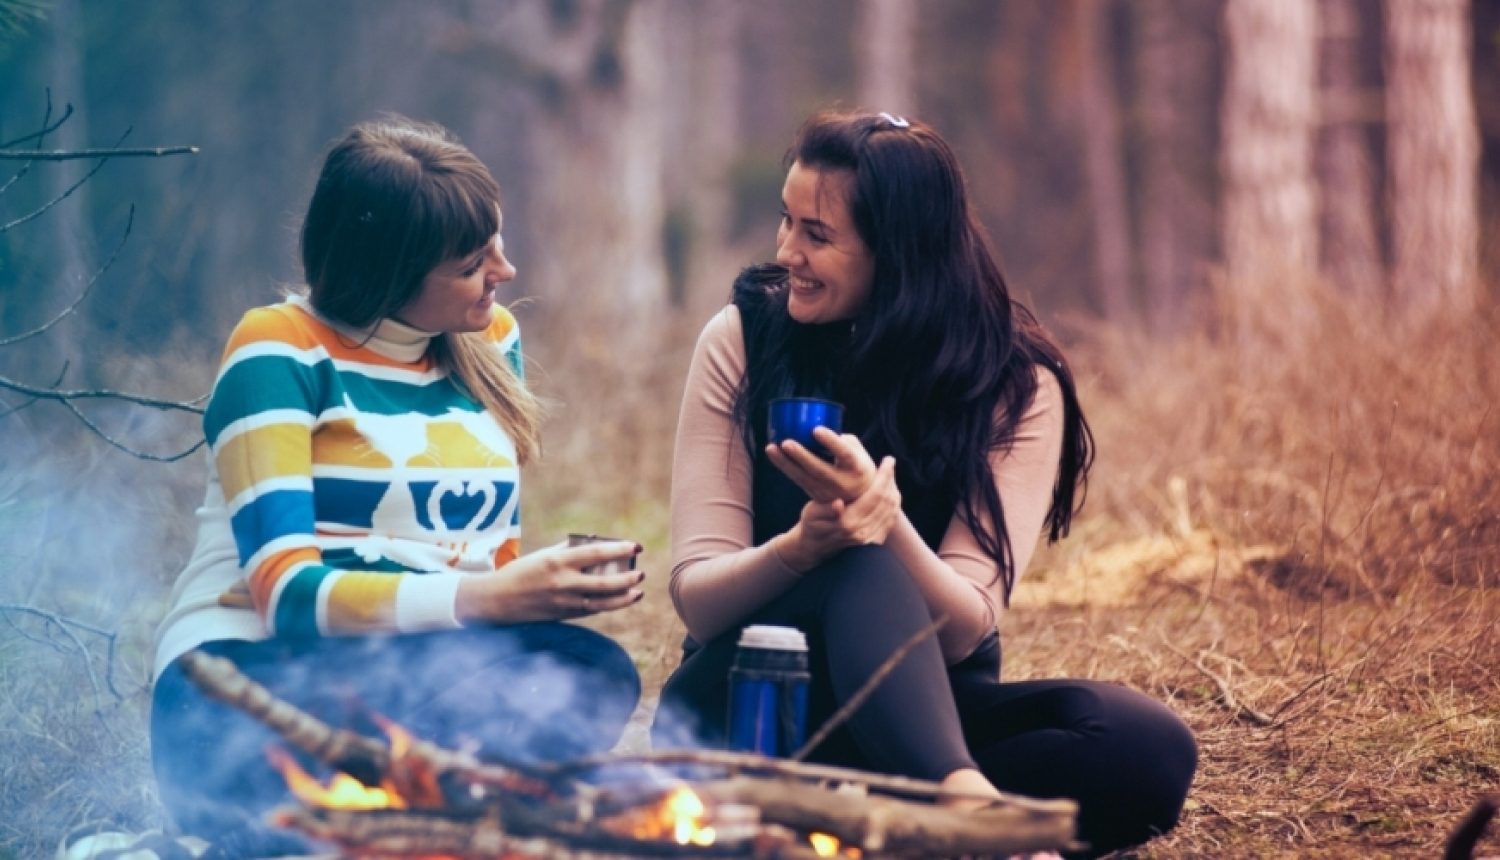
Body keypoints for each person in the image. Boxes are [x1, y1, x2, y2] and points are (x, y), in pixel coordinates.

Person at [651, 110, 1197, 858]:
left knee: (1145, 746)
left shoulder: (1016, 384)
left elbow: (968, 623)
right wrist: (805, 547)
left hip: (921, 713)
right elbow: (700, 600)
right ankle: (967, 815)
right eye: (787, 222)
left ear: (898, 252)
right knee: (854, 562)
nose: (787, 252)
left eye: (817, 234)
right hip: (749, 708)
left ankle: (892, 818)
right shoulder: (743, 340)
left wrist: (887, 522)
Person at [151, 117, 644, 846]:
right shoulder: (279, 348)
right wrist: (493, 598)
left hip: (407, 673)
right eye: (475, 262)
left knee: (589, 668)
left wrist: (534, 594)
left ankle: (403, 819)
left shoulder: (489, 340)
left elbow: (486, 557)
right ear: (388, 272)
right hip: (247, 683)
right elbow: (287, 597)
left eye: (497, 245)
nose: (504, 274)